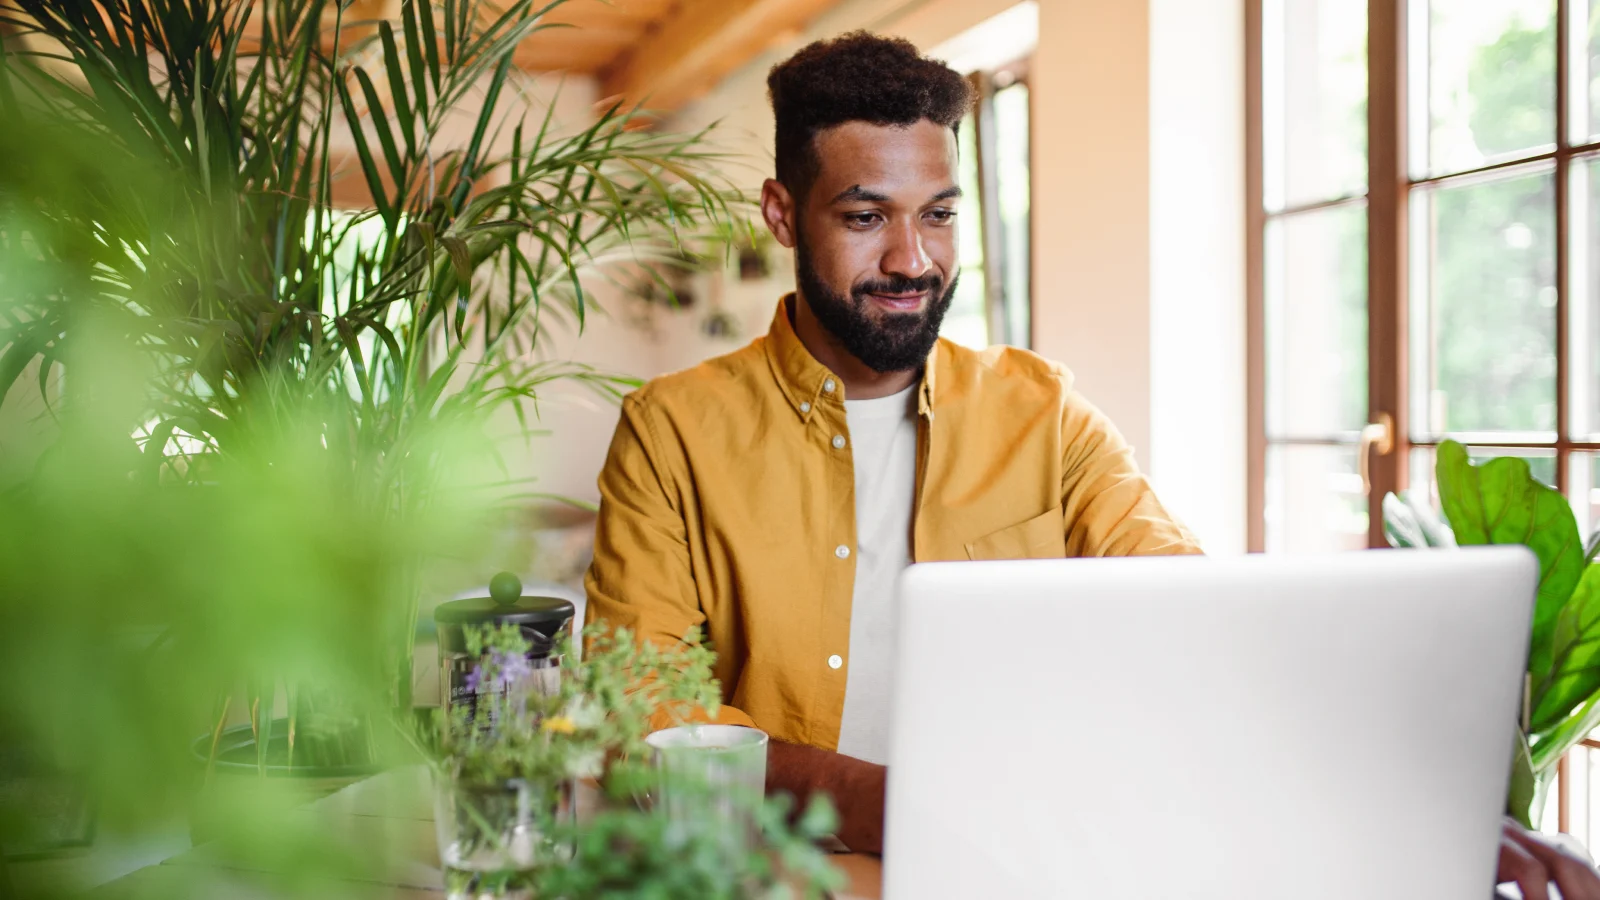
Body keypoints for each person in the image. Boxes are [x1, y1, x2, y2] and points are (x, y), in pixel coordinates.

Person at [584, 32, 1600, 898]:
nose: (911, 259)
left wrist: (1403, 809)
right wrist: (895, 802)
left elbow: (1190, 621)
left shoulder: (1042, 411)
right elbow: (646, 723)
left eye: (938, 213)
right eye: (864, 218)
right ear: (779, 213)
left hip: (1034, 867)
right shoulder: (671, 433)